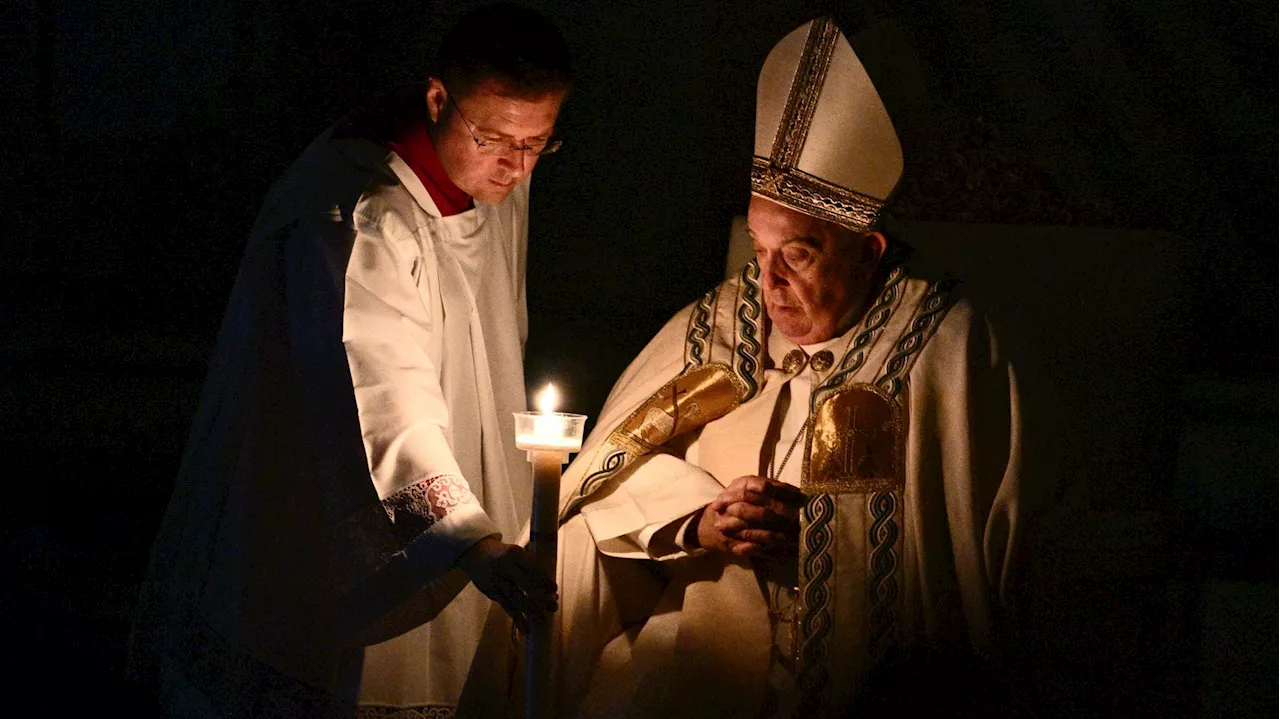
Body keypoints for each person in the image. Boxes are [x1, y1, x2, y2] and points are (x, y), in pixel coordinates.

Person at [459, 17, 1057, 718]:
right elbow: (606, 483)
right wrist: (698, 517)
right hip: (701, 653)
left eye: (797, 254)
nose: (766, 284)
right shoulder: (723, 323)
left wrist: (824, 543)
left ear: (867, 252)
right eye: (758, 247)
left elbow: (998, 570)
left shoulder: (947, 351)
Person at [129, 4, 571, 717]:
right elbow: (380, 396)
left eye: (538, 144)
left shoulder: (497, 169)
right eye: (495, 139)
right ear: (437, 99)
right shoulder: (361, 215)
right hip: (332, 511)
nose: (515, 168)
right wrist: (471, 542)